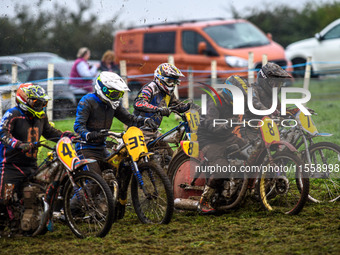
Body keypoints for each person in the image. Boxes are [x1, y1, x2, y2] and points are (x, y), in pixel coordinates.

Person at [73, 71, 157, 216]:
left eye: (119, 94)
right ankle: (71, 208)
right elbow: (78, 126)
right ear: (102, 89)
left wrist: (144, 120)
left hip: (101, 147)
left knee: (113, 173)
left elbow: (129, 118)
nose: (117, 97)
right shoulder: (87, 101)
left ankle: (106, 204)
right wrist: (88, 134)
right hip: (85, 147)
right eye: (114, 93)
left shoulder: (113, 105)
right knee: (96, 181)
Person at [0, 83, 74, 235]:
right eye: (37, 102)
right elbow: (2, 133)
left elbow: (49, 132)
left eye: (43, 103)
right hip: (10, 164)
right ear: (24, 100)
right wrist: (18, 144)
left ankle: (29, 221)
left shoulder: (41, 117)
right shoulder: (12, 114)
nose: (40, 106)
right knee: (4, 198)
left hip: (31, 164)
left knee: (34, 194)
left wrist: (69, 136)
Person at [133, 63, 191, 128]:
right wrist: (158, 109)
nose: (172, 84)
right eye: (170, 81)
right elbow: (139, 103)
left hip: (153, 130)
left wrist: (189, 106)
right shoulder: (149, 88)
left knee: (176, 136)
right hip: (138, 129)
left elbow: (177, 106)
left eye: (174, 82)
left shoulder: (168, 93)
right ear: (160, 78)